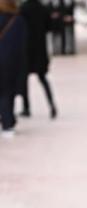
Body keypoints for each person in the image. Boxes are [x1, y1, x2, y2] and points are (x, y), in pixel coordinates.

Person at [16, 0, 57, 118]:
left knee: (24, 81)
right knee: (43, 79)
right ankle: (52, 105)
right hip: (40, 49)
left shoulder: (23, 9)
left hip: (26, 49)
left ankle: (26, 107)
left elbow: (18, 27)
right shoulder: (43, 8)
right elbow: (50, 27)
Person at [0, 0, 27, 137]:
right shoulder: (19, 20)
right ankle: (8, 122)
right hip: (12, 62)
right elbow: (23, 44)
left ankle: (7, 120)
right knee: (8, 92)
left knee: (3, 92)